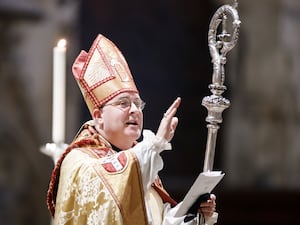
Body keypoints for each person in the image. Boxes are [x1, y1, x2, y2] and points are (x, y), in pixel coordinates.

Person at [47, 34, 218, 225]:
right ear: (98, 116)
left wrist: (193, 213)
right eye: (123, 103)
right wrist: (155, 144)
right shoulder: (79, 160)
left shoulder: (139, 163)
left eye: (138, 104)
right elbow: (111, 194)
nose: (135, 110)